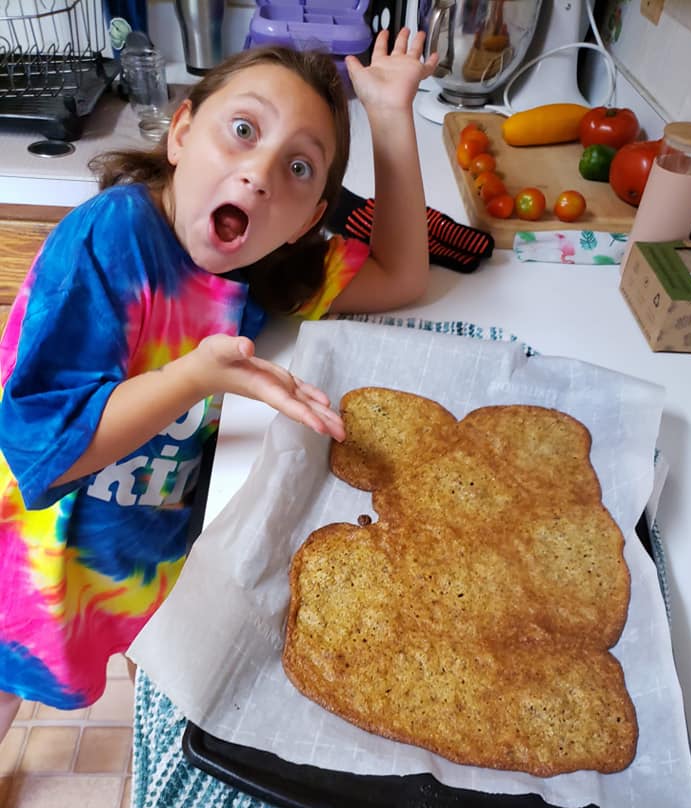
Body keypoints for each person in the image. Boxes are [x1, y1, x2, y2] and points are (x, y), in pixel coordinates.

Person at [0, 29, 438, 744]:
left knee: (155, 674)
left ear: (307, 221)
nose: (260, 173)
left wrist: (390, 115)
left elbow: (403, 276)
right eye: (242, 130)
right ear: (180, 133)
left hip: (151, 546)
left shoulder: (264, 270)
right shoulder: (111, 237)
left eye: (299, 167)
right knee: (8, 688)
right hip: (38, 553)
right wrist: (193, 378)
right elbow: (42, 453)